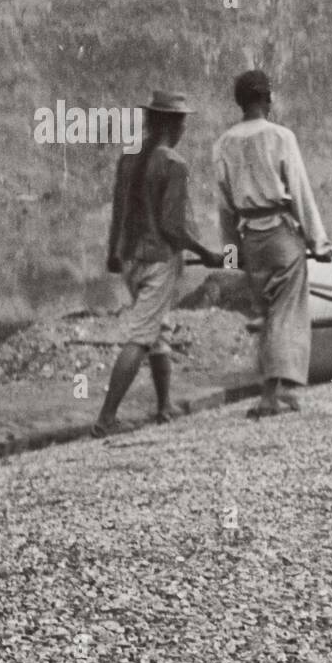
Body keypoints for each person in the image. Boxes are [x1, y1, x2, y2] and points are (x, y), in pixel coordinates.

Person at [93, 92, 225, 437]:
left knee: (158, 329)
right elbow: (172, 226)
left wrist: (113, 253)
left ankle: (164, 405)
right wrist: (207, 253)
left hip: (130, 260)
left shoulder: (129, 157)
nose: (183, 127)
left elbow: (119, 212)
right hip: (158, 261)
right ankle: (106, 419)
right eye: (181, 121)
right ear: (171, 123)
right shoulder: (174, 164)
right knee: (141, 336)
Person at [214, 69, 332, 419]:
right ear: (268, 99)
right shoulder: (281, 136)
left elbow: (223, 206)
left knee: (265, 312)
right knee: (286, 313)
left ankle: (278, 390)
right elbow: (299, 191)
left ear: (240, 101)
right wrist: (319, 242)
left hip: (249, 237)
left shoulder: (223, 143)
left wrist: (231, 254)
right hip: (281, 234)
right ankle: (269, 395)